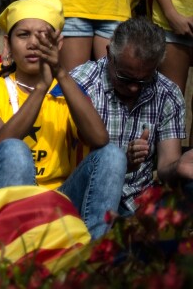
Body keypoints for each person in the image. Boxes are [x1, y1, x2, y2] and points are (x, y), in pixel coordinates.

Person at [0, 0, 125, 239]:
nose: (33, 44)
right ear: (8, 44)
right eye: (23, 35)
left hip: (54, 202)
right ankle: (15, 256)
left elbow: (100, 140)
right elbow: (3, 143)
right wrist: (41, 87)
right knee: (15, 151)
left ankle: (93, 258)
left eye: (43, 36)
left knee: (113, 154)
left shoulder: (67, 93)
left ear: (58, 45)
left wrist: (60, 73)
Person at [72, 18, 191, 215]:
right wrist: (122, 162)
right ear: (110, 54)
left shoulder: (168, 94)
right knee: (111, 157)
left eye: (144, 80)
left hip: (137, 200)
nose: (134, 87)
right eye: (125, 78)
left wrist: (178, 166)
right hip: (87, 193)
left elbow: (165, 167)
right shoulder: (82, 83)